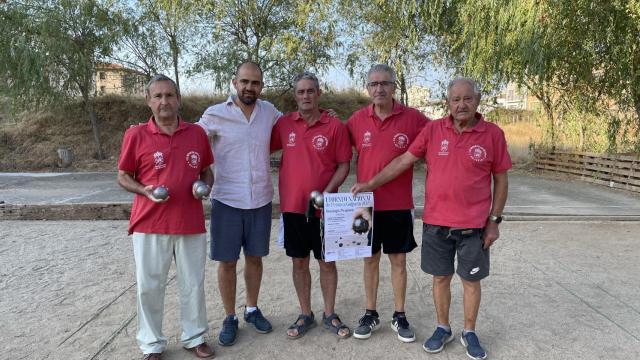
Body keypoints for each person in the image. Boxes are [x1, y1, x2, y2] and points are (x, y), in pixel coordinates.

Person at [351, 77, 512, 360]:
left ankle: (470, 332)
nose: (461, 105)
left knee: (471, 281)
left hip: (474, 225)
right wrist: (370, 184)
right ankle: (442, 327)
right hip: (436, 222)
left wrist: (494, 221)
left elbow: (501, 179)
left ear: (477, 101)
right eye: (455, 100)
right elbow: (403, 161)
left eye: (467, 99)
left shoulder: (493, 134)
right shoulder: (433, 129)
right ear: (447, 103)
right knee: (440, 278)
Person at [117, 74, 215, 360]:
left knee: (193, 282)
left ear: (178, 99)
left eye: (169, 95)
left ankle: (194, 336)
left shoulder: (196, 133)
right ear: (148, 101)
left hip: (189, 221)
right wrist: (144, 191)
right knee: (149, 285)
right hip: (150, 222)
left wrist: (205, 186)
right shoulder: (136, 135)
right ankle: (151, 344)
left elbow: (206, 170)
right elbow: (123, 176)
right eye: (157, 96)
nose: (164, 101)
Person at [196, 61, 280, 346]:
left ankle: (252, 309)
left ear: (262, 86)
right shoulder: (214, 114)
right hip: (227, 199)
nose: (249, 87)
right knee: (227, 261)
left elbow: (297, 125)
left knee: (255, 258)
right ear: (234, 82)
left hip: (260, 200)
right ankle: (230, 316)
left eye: (255, 83)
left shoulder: (269, 112)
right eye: (244, 81)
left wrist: (326, 115)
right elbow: (193, 142)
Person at [346, 64, 429, 343]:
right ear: (367, 88)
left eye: (385, 83)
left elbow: (441, 134)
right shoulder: (356, 120)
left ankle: (399, 314)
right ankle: (370, 313)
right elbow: (337, 143)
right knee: (369, 261)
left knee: (398, 261)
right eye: (373, 84)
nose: (379, 89)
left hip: (398, 205)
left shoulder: (414, 118)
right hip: (366, 206)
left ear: (394, 87)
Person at [270, 71, 352, 339]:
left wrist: (327, 193)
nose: (305, 95)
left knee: (327, 262)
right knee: (299, 262)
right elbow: (256, 145)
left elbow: (344, 165)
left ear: (319, 93)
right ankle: (306, 314)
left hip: (327, 209)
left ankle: (330, 314)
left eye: (310, 91)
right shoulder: (283, 125)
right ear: (295, 96)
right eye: (301, 91)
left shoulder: (334, 127)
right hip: (293, 208)